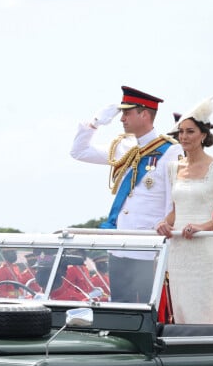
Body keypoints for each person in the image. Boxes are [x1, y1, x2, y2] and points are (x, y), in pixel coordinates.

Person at [71, 86, 183, 302]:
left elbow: (173, 200)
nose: (122, 119)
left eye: (127, 113)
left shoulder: (170, 150)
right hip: (119, 244)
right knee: (120, 309)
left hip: (147, 247)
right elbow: (79, 151)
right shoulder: (125, 147)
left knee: (145, 311)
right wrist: (95, 122)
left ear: (144, 114)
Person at [156, 97, 213, 324]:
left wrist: (203, 227)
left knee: (203, 311)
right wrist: (164, 223)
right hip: (178, 248)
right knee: (181, 310)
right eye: (180, 132)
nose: (183, 137)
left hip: (203, 248)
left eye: (190, 131)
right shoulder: (173, 167)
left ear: (203, 134)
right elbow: (176, 210)